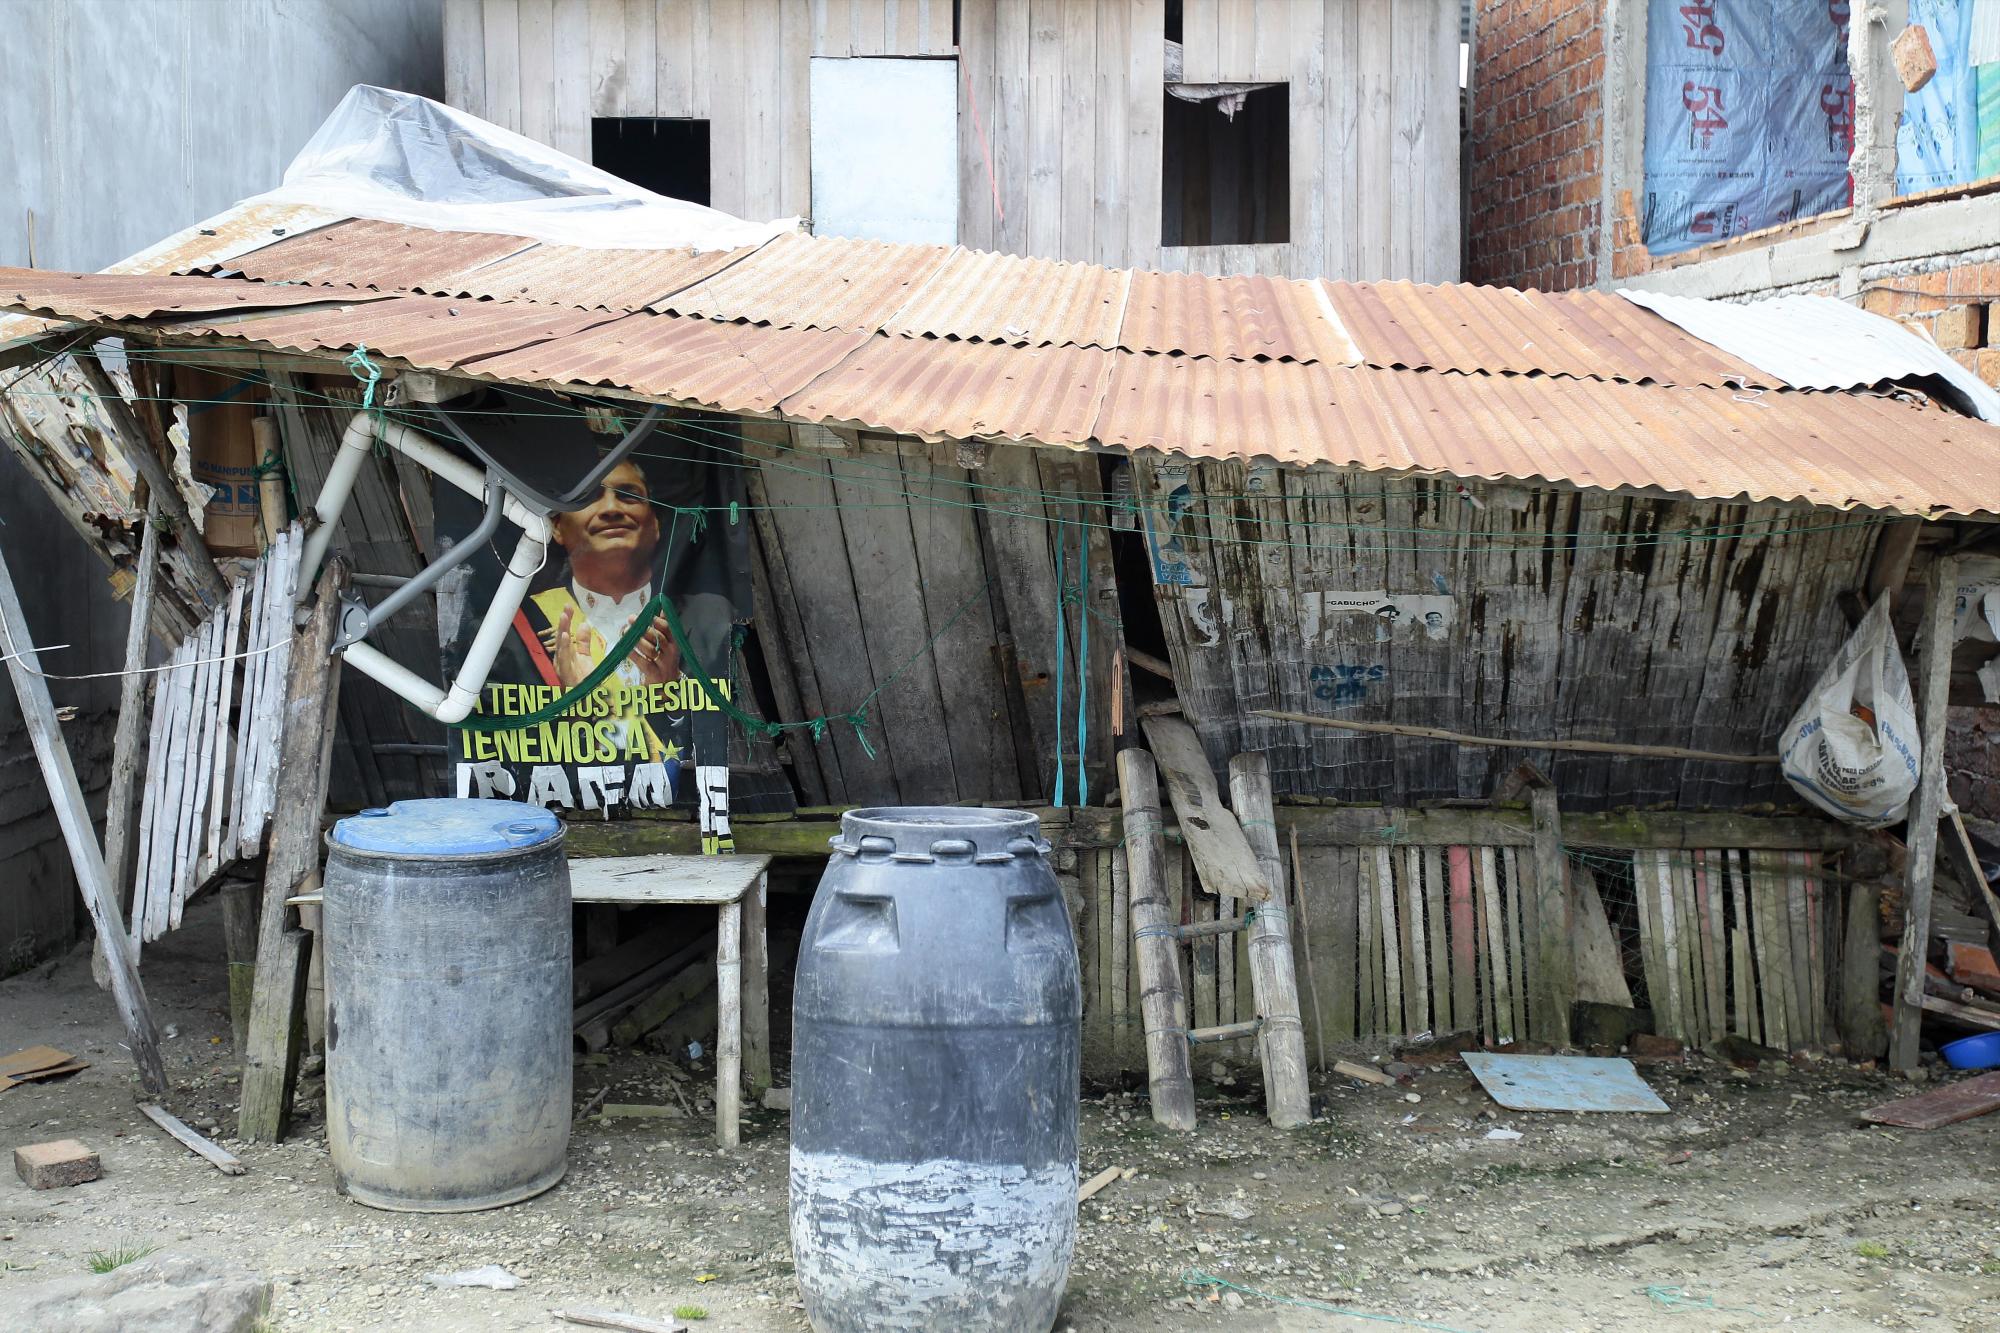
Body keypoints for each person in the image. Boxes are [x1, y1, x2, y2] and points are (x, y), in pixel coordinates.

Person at [510, 459, 681, 760]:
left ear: (656, 524)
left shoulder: (700, 623)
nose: (612, 509)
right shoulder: (517, 626)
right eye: (588, 498)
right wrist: (577, 706)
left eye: (629, 495)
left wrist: (668, 695)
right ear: (557, 527)